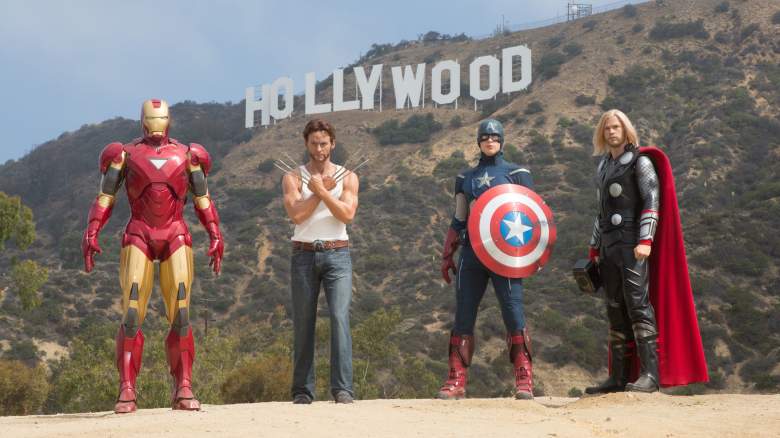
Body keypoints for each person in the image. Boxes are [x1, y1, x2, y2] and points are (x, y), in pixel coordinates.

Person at [82, 99, 224, 413]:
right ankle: (127, 388)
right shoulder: (124, 153)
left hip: (174, 232)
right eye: (151, 119)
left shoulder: (188, 155)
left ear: (168, 120)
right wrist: (92, 230)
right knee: (132, 311)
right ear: (144, 121)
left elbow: (203, 199)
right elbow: (106, 196)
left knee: (182, 311)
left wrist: (215, 232)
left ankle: (184, 385)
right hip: (139, 232)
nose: (156, 127)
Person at [585, 109, 707, 394]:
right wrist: (594, 246)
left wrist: (646, 240)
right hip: (608, 247)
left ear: (625, 130)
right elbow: (600, 211)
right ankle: (618, 377)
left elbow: (652, 202)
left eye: (616, 127)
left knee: (639, 306)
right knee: (615, 309)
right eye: (607, 129)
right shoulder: (603, 167)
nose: (611, 132)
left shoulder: (640, 162)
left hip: (632, 245)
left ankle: (650, 375)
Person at [438, 119, 536, 400]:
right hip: (471, 253)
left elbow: (529, 215)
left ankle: (524, 377)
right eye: (485, 137)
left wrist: (529, 255)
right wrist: (447, 253)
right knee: (464, 313)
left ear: (502, 140)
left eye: (495, 136)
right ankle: (456, 378)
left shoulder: (517, 172)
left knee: (513, 311)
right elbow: (459, 218)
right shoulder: (465, 178)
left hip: (505, 254)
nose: (490, 141)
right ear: (478, 141)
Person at [282, 118, 359, 404]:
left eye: (324, 143)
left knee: (339, 319)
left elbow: (347, 215)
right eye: (314, 143)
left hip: (338, 253)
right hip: (303, 254)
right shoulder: (292, 177)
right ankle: (302, 390)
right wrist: (317, 190)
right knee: (304, 322)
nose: (319, 149)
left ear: (333, 143)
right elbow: (297, 215)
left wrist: (323, 191)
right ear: (306, 144)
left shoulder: (348, 176)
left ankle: (343, 389)